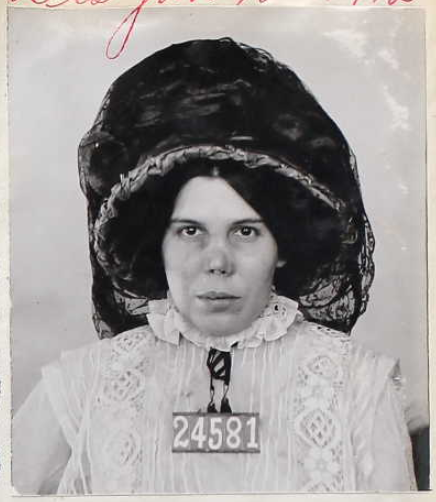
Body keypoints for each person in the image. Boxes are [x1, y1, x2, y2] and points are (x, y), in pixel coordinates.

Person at [13, 38, 417, 494]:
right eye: (190, 231)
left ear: (283, 244)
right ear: (156, 242)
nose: (217, 262)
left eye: (246, 231)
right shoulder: (78, 388)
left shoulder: (361, 387)